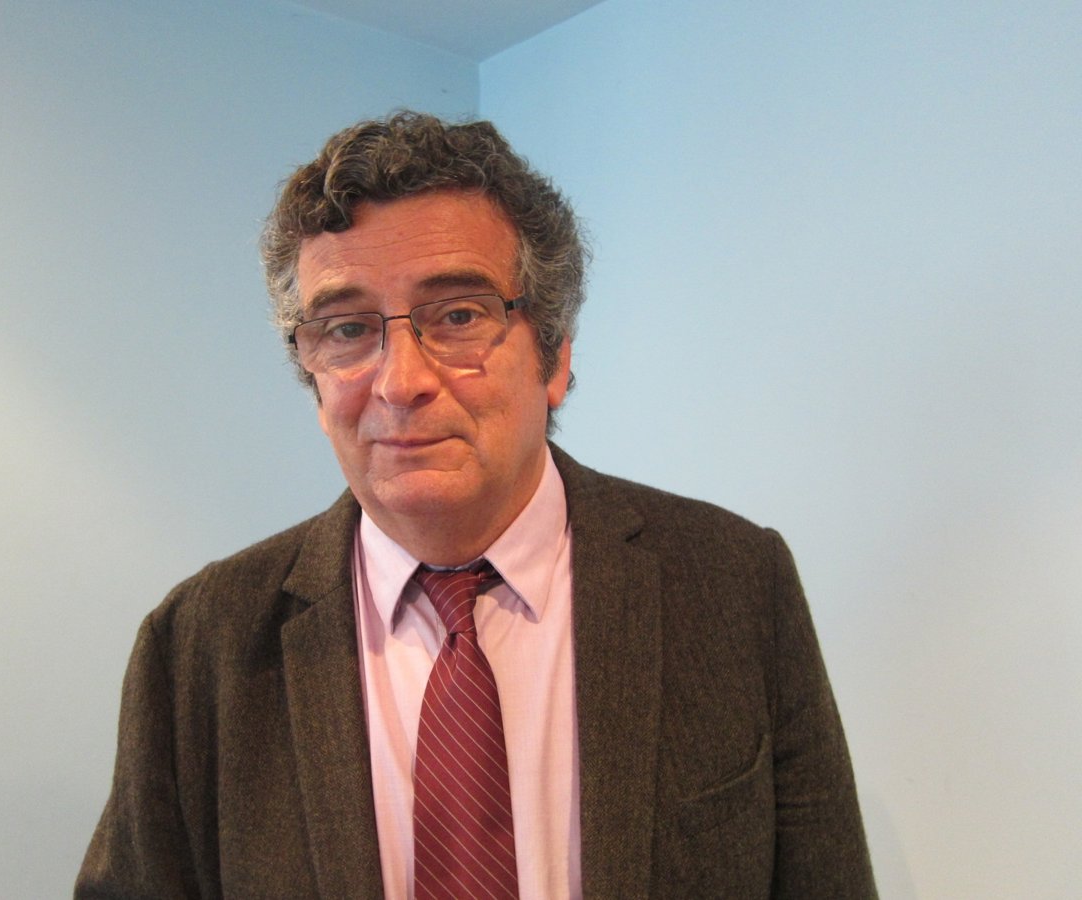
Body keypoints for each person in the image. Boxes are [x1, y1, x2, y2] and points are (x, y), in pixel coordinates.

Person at [76, 111, 876, 899]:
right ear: (312, 378)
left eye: (458, 315)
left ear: (554, 356)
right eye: (347, 329)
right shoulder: (198, 644)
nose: (400, 382)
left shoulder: (735, 582)